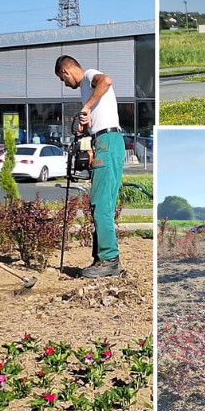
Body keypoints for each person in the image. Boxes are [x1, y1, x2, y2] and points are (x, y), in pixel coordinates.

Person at [55, 55, 125, 278]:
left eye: (62, 79)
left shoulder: (89, 76)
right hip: (105, 141)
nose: (65, 84)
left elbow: (107, 80)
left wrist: (85, 107)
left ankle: (109, 260)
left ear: (66, 72)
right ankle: (101, 258)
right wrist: (85, 127)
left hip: (108, 143)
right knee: (101, 204)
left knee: (100, 203)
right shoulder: (86, 88)